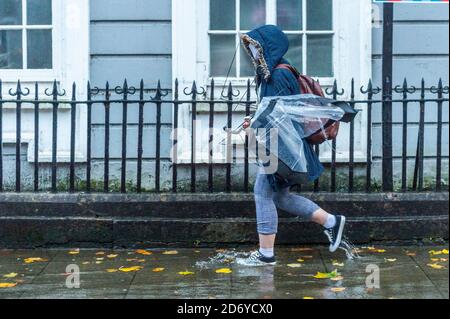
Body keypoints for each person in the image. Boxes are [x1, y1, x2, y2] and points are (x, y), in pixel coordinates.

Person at [237, 25, 346, 267]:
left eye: (255, 48)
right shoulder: (275, 72)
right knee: (280, 197)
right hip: (284, 145)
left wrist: (252, 125)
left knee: (262, 193)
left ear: (267, 48)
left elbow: (278, 115)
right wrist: (253, 120)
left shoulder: (277, 75)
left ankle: (266, 255)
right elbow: (277, 110)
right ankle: (331, 222)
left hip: (281, 148)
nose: (252, 53)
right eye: (251, 48)